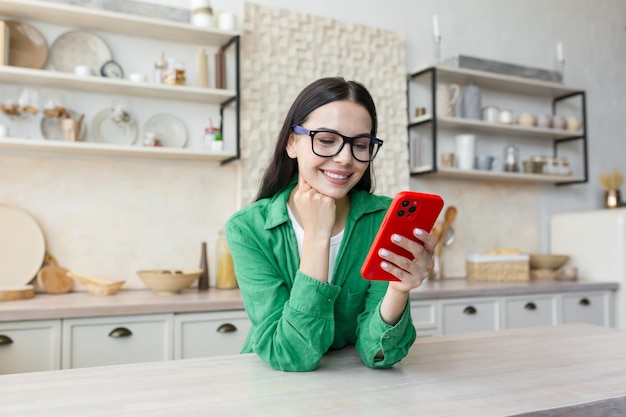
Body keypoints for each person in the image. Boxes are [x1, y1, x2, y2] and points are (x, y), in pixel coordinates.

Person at [225, 77, 437, 372]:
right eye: (326, 140)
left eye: (360, 145)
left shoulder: (382, 220)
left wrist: (399, 290)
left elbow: (379, 354)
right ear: (292, 143)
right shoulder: (248, 228)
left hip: (355, 389)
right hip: (273, 388)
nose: (345, 158)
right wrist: (317, 235)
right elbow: (289, 355)